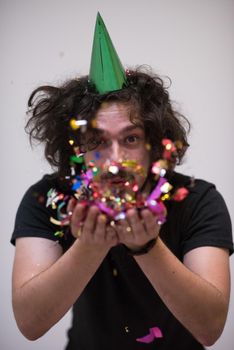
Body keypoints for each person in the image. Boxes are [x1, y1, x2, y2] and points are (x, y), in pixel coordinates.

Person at [11, 13, 233, 350]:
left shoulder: (196, 200)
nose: (114, 161)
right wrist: (90, 246)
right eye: (97, 142)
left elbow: (211, 328)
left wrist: (145, 246)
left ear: (154, 145)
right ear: (77, 150)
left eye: (130, 139)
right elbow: (29, 323)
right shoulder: (49, 199)